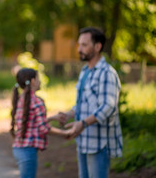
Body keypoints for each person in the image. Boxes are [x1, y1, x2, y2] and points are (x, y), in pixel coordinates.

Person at [58, 27, 123, 178]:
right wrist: (68, 115)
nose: (79, 49)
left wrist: (83, 123)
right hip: (83, 141)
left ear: (98, 46)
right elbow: (82, 103)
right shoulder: (84, 71)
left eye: (84, 45)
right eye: (79, 44)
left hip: (99, 144)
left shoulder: (107, 73)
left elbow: (108, 106)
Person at [10, 68, 70, 178]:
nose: (40, 81)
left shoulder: (20, 99)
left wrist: (52, 118)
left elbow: (31, 123)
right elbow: (44, 128)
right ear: (33, 81)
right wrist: (66, 133)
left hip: (18, 148)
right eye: (38, 78)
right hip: (28, 151)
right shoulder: (37, 101)